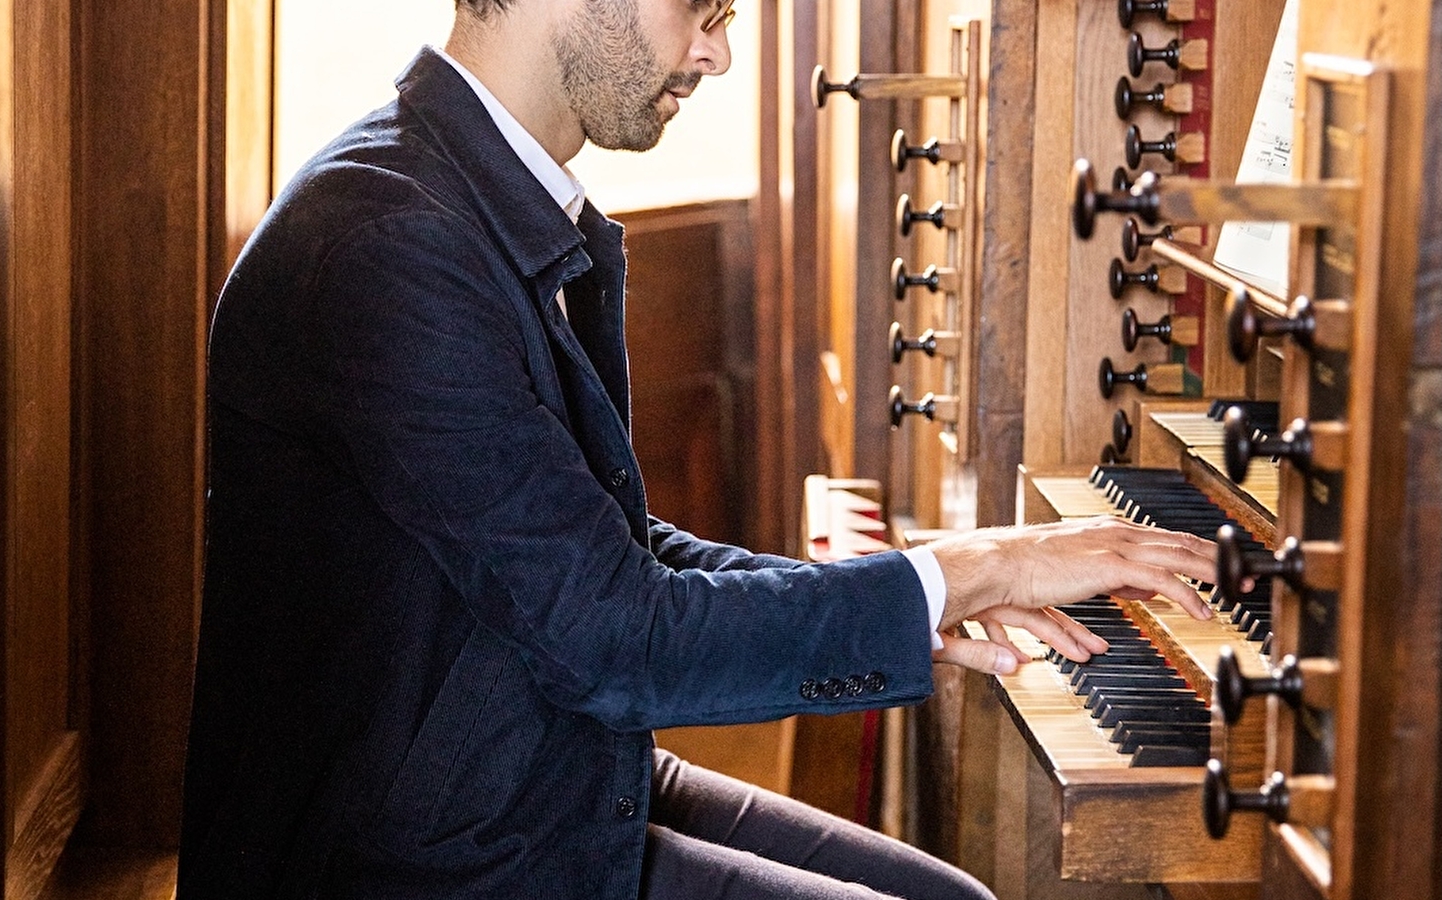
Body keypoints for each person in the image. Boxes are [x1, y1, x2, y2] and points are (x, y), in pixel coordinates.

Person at [177, 0, 1219, 898]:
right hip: (404, 862)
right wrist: (956, 575)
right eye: (705, 8)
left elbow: (605, 554)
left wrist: (917, 595)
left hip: (514, 770)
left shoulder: (459, 193)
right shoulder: (390, 244)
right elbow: (615, 636)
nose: (717, 53)